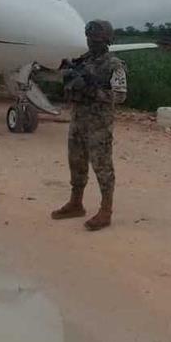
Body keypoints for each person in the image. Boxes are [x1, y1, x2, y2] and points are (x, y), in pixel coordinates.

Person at [51, 19, 127, 231]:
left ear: (107, 40)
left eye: (97, 39)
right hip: (78, 120)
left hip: (99, 124)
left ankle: (106, 210)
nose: (92, 42)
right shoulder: (82, 61)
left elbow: (120, 96)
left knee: (102, 167)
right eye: (89, 38)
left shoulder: (114, 65)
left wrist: (93, 91)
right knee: (76, 162)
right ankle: (76, 203)